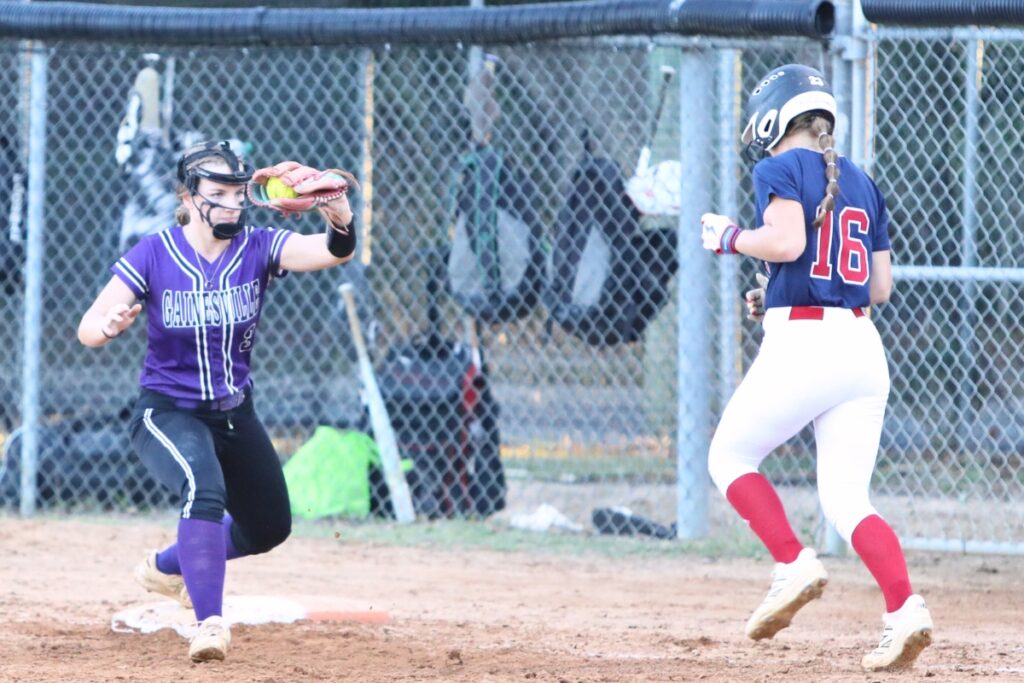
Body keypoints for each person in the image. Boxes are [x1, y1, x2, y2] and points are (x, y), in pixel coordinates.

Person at [77, 140, 358, 663]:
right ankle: (208, 623)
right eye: (218, 193)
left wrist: (339, 215)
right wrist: (109, 325)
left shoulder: (257, 247)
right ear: (189, 196)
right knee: (202, 488)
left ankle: (166, 565)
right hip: (167, 412)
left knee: (269, 527)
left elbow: (333, 251)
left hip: (234, 413)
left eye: (237, 193)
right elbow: (87, 328)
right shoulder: (155, 252)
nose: (232, 204)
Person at [699, 65, 934, 672]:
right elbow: (877, 287)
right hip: (861, 350)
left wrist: (729, 237)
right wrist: (774, 291)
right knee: (848, 499)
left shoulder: (779, 167)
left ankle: (791, 563)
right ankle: (905, 610)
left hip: (807, 346)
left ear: (777, 118)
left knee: (728, 458)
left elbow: (787, 244)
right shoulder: (862, 181)